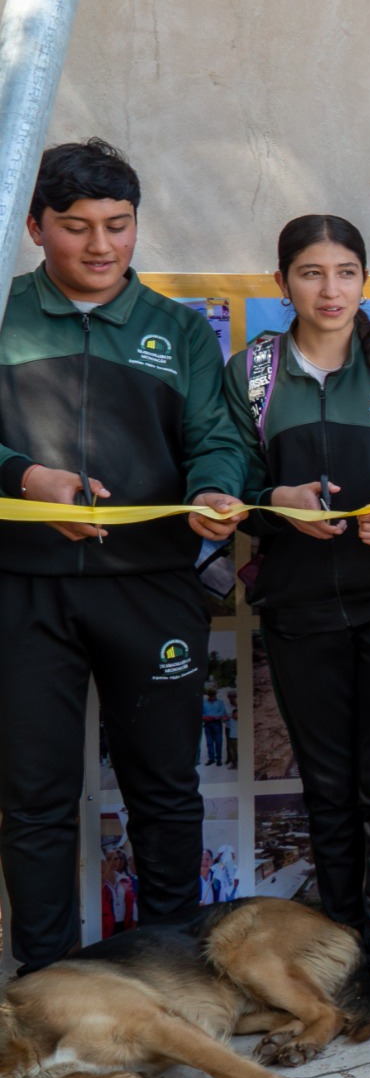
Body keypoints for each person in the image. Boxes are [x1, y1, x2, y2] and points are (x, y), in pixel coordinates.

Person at [0, 139, 248, 974]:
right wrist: (26, 478)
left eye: (118, 225)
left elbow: (217, 439)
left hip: (152, 591)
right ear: (34, 227)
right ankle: (42, 988)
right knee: (34, 802)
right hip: (23, 590)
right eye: (75, 227)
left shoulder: (177, 329)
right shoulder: (4, 314)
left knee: (165, 795)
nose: (100, 246)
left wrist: (216, 492)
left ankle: (172, 979)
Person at [223, 214, 370, 1017]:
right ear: (283, 282)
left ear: (364, 279)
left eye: (346, 271)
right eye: (311, 273)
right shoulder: (251, 371)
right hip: (299, 604)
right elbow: (226, 473)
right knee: (328, 783)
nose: (330, 289)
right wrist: (270, 502)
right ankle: (343, 943)